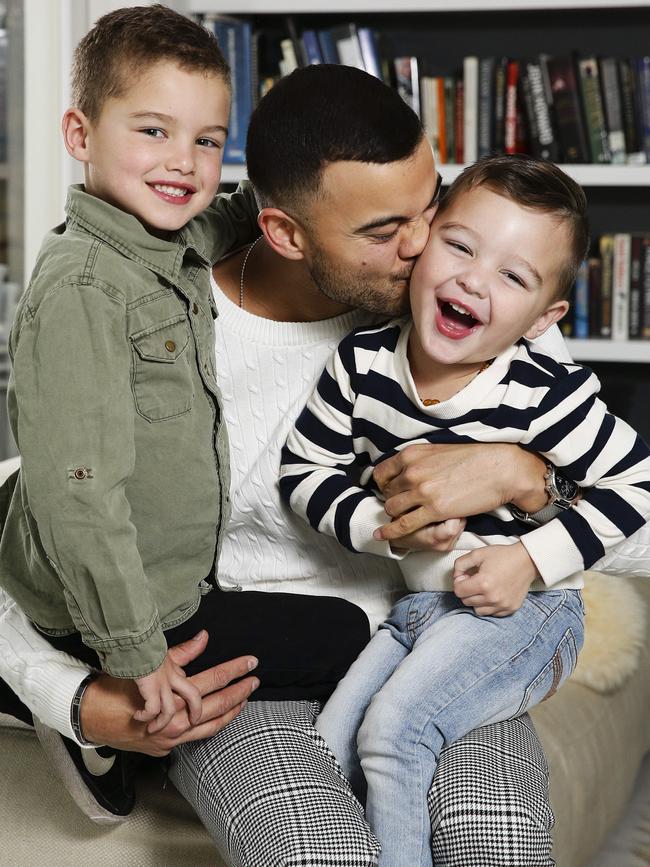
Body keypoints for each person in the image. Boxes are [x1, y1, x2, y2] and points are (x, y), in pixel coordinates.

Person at [0, 62, 646, 865]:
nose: (424, 250)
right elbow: (43, 509)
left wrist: (524, 479)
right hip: (256, 665)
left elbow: (634, 518)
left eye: (430, 204)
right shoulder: (166, 328)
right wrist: (73, 701)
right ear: (286, 233)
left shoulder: (476, 296)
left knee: (497, 842)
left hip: (445, 633)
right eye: (383, 232)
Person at [0, 7, 370, 820]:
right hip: (108, 610)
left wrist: (302, 188)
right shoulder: (85, 288)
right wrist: (134, 659)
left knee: (337, 632)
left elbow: (230, 214)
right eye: (155, 130)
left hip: (167, 582)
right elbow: (78, 491)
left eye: (207, 139)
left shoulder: (160, 240)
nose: (184, 162)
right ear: (79, 132)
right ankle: (87, 718)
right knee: (343, 636)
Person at [280, 153, 650, 866]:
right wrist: (378, 525)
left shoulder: (545, 389)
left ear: (543, 318)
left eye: (513, 276)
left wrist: (529, 557)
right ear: (421, 242)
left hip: (530, 611)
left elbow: (637, 484)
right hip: (417, 608)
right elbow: (305, 469)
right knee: (326, 750)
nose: (474, 279)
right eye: (460, 245)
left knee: (393, 730)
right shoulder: (360, 364)